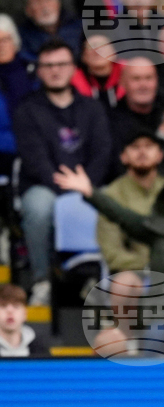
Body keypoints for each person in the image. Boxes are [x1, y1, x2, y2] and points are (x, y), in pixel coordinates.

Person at [14, 40, 112, 306]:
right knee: (38, 208)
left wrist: (85, 185)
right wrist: (67, 189)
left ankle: (100, 279)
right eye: (48, 65)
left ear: (73, 68)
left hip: (88, 183)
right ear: (40, 71)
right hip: (43, 184)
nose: (55, 70)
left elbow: (102, 152)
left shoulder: (92, 108)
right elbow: (35, 158)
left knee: (112, 205)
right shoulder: (27, 109)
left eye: (61, 64)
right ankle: (42, 279)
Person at [97, 130, 164, 273]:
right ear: (123, 157)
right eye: (135, 147)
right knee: (124, 286)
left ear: (160, 155)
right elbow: (112, 250)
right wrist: (147, 266)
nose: (142, 152)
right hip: (131, 270)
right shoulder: (112, 194)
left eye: (148, 146)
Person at [17, 0, 82, 62]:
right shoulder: (21, 35)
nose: (44, 7)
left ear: (58, 3)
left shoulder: (79, 26)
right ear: (28, 10)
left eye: (48, 1)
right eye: (37, 2)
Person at [0, 283, 47, 357]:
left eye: (16, 306)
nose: (10, 311)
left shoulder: (40, 348)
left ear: (25, 314)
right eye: (3, 306)